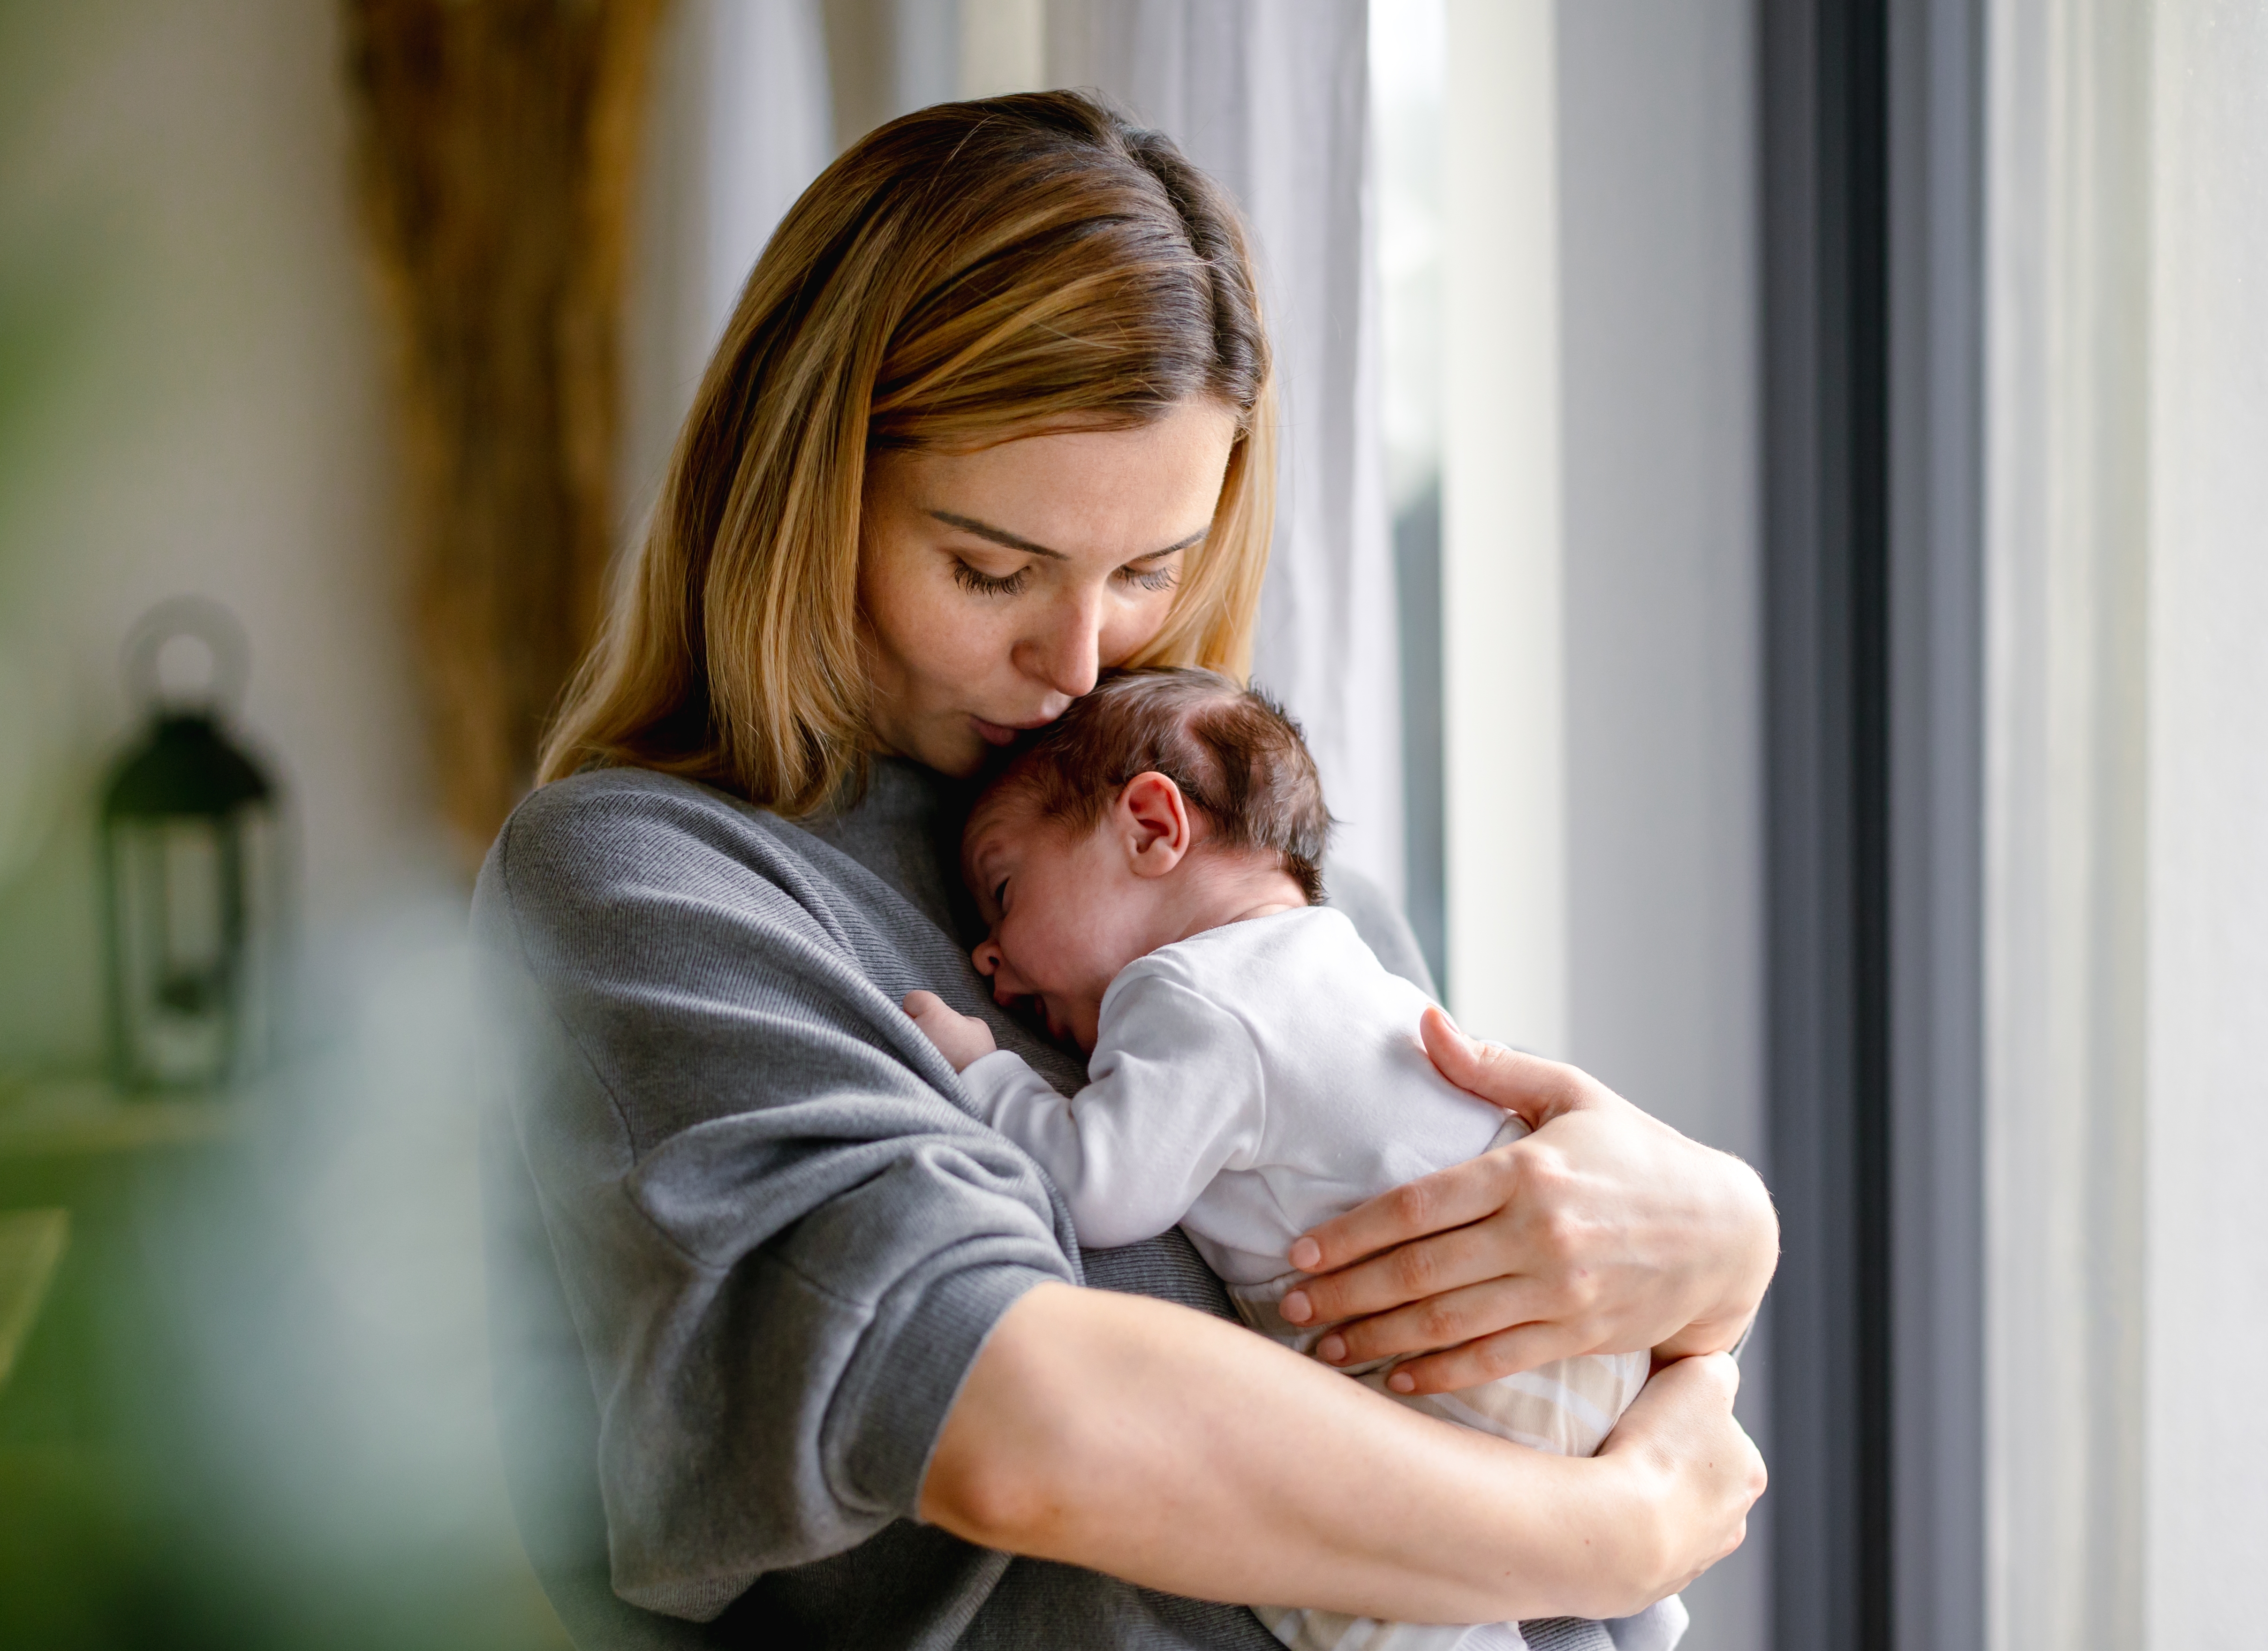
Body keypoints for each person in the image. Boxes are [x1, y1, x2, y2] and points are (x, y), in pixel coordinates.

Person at [475, 90, 1774, 1651]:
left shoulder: (1278, 897)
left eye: (1151, 571)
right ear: (807, 487)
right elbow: (1012, 1411)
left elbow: (1514, 1384)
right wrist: (1610, 1533)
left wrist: (1713, 1256)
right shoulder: (654, 887)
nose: (1078, 659)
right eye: (992, 569)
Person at [898, 666, 1688, 1651]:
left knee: (1342, 1580)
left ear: (1152, 826)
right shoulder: (1340, 955)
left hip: (1450, 1369)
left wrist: (986, 1070)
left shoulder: (1191, 993)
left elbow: (1093, 1186)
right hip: (1572, 1339)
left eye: (1004, 890)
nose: (987, 957)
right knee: (1602, 1576)